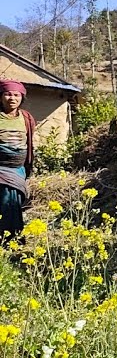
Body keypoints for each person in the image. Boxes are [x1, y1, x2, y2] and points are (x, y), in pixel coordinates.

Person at [0, 80, 36, 239]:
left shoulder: (27, 118)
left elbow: (30, 142)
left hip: (18, 169)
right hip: (1, 169)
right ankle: (4, 237)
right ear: (0, 97)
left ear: (22, 98)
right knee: (4, 201)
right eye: (8, 94)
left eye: (16, 95)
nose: (12, 98)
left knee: (15, 203)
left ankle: (14, 237)